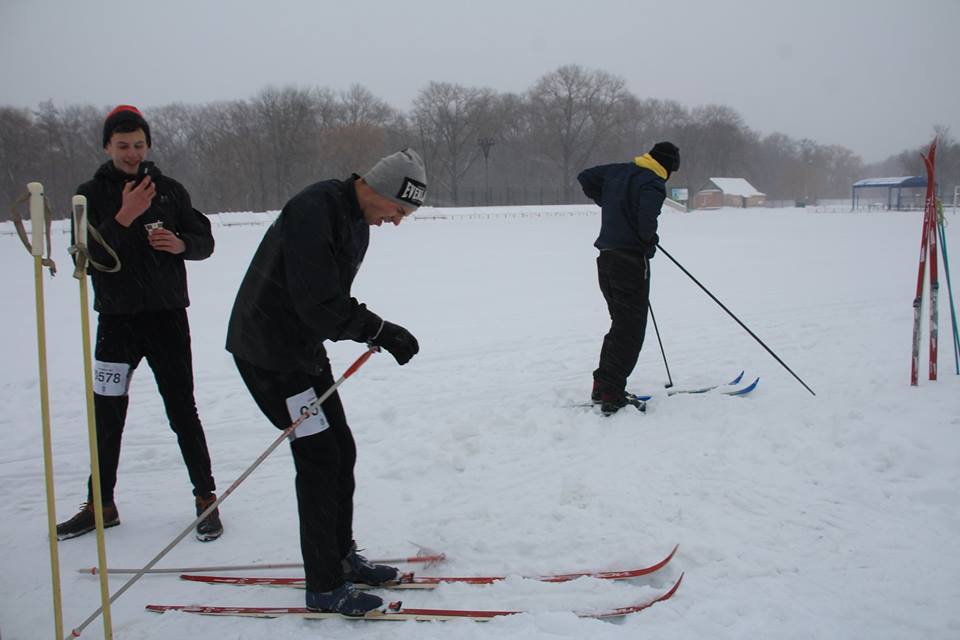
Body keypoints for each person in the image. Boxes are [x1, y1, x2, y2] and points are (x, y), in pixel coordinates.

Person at [226, 149, 426, 616]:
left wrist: (367, 328)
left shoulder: (356, 220)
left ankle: (339, 557)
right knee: (318, 458)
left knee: (341, 450)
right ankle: (323, 585)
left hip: (301, 351)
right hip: (269, 353)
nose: (396, 222)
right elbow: (316, 301)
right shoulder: (314, 209)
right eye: (398, 210)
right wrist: (378, 330)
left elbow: (330, 302)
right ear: (377, 188)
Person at [57, 105, 223, 542]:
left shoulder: (169, 190)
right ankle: (101, 505)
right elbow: (83, 259)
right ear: (107, 146)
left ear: (148, 145)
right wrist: (124, 215)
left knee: (182, 409)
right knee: (107, 413)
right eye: (122, 146)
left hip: (167, 318)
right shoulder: (88, 195)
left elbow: (205, 242)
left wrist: (181, 243)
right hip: (116, 321)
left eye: (138, 145)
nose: (132, 154)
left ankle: (206, 500)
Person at [578, 142, 681, 415]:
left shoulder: (620, 172)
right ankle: (611, 391)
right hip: (630, 263)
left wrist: (612, 203)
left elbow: (586, 177)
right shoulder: (653, 183)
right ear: (668, 166)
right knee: (630, 330)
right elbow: (647, 225)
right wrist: (648, 242)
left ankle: (603, 385)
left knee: (620, 325)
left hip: (606, 259)